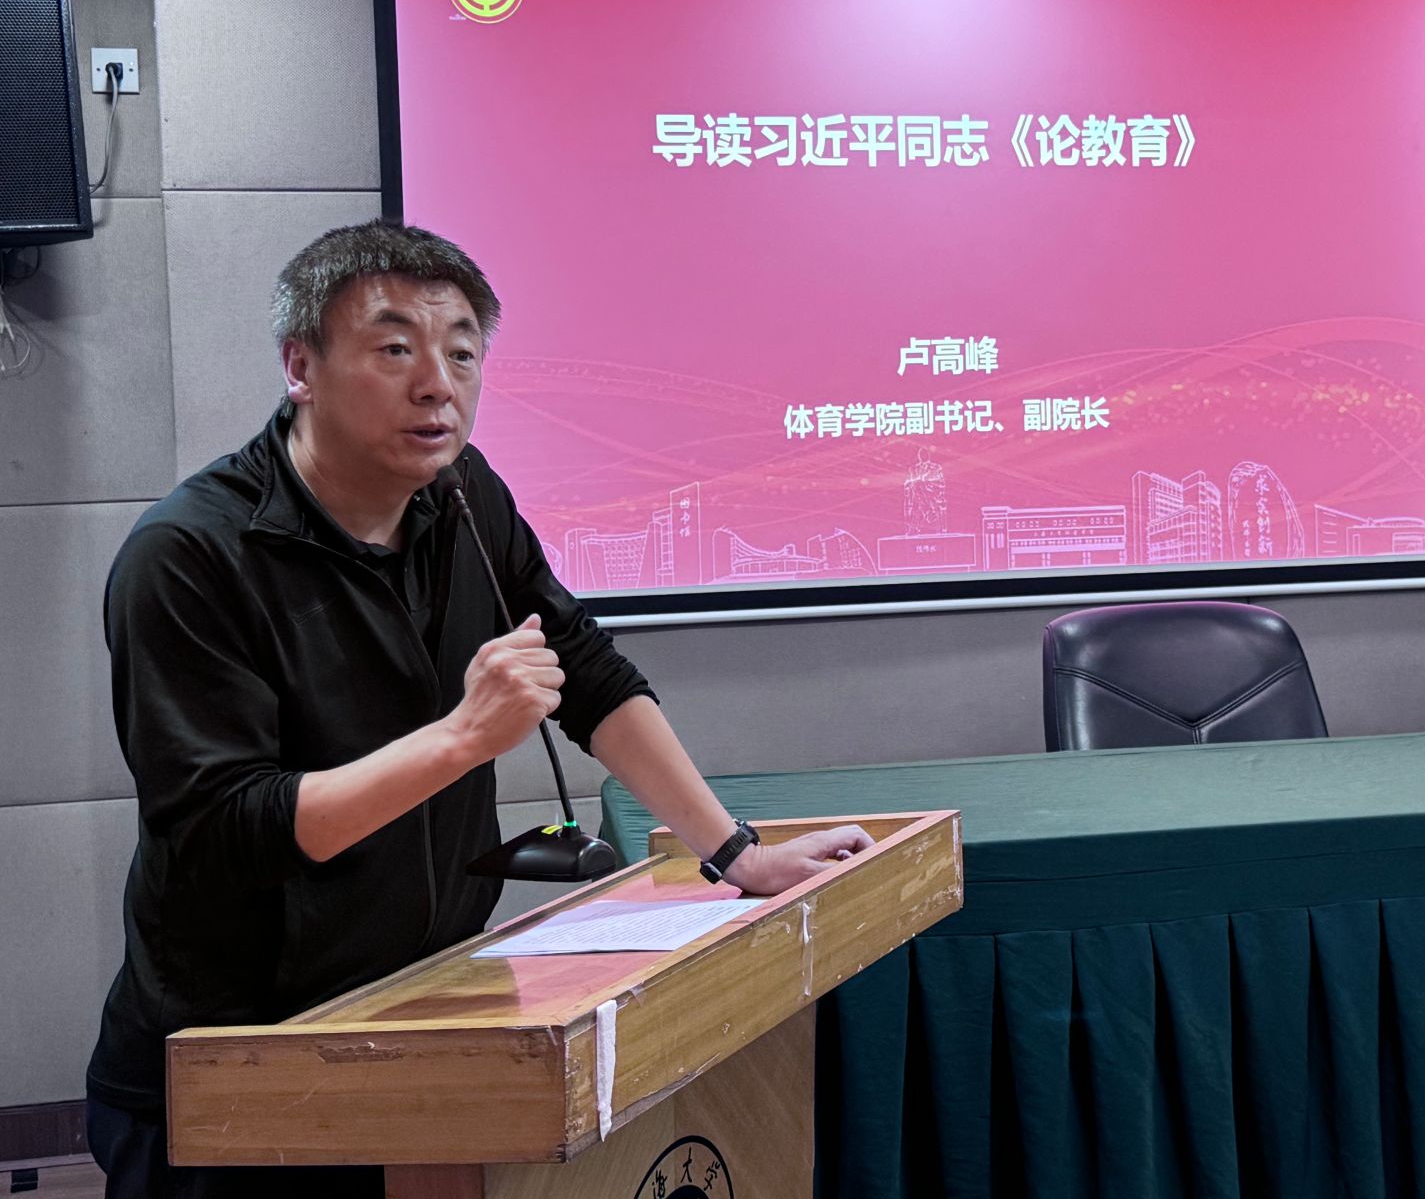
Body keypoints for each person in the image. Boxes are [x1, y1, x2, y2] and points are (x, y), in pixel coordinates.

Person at [84, 221, 872, 1198]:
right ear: (300, 367)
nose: (437, 385)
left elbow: (588, 674)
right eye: (394, 349)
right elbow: (228, 829)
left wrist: (736, 855)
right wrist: (461, 738)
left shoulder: (462, 495)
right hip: (241, 1065)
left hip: (428, 1019)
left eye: (461, 353)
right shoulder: (189, 557)